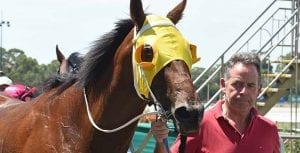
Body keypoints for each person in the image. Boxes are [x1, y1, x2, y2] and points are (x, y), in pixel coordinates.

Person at [151, 52, 280, 153]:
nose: (243, 91)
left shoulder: (269, 129)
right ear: (223, 85)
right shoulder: (200, 123)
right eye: (237, 84)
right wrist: (160, 142)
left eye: (251, 85)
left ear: (259, 90)